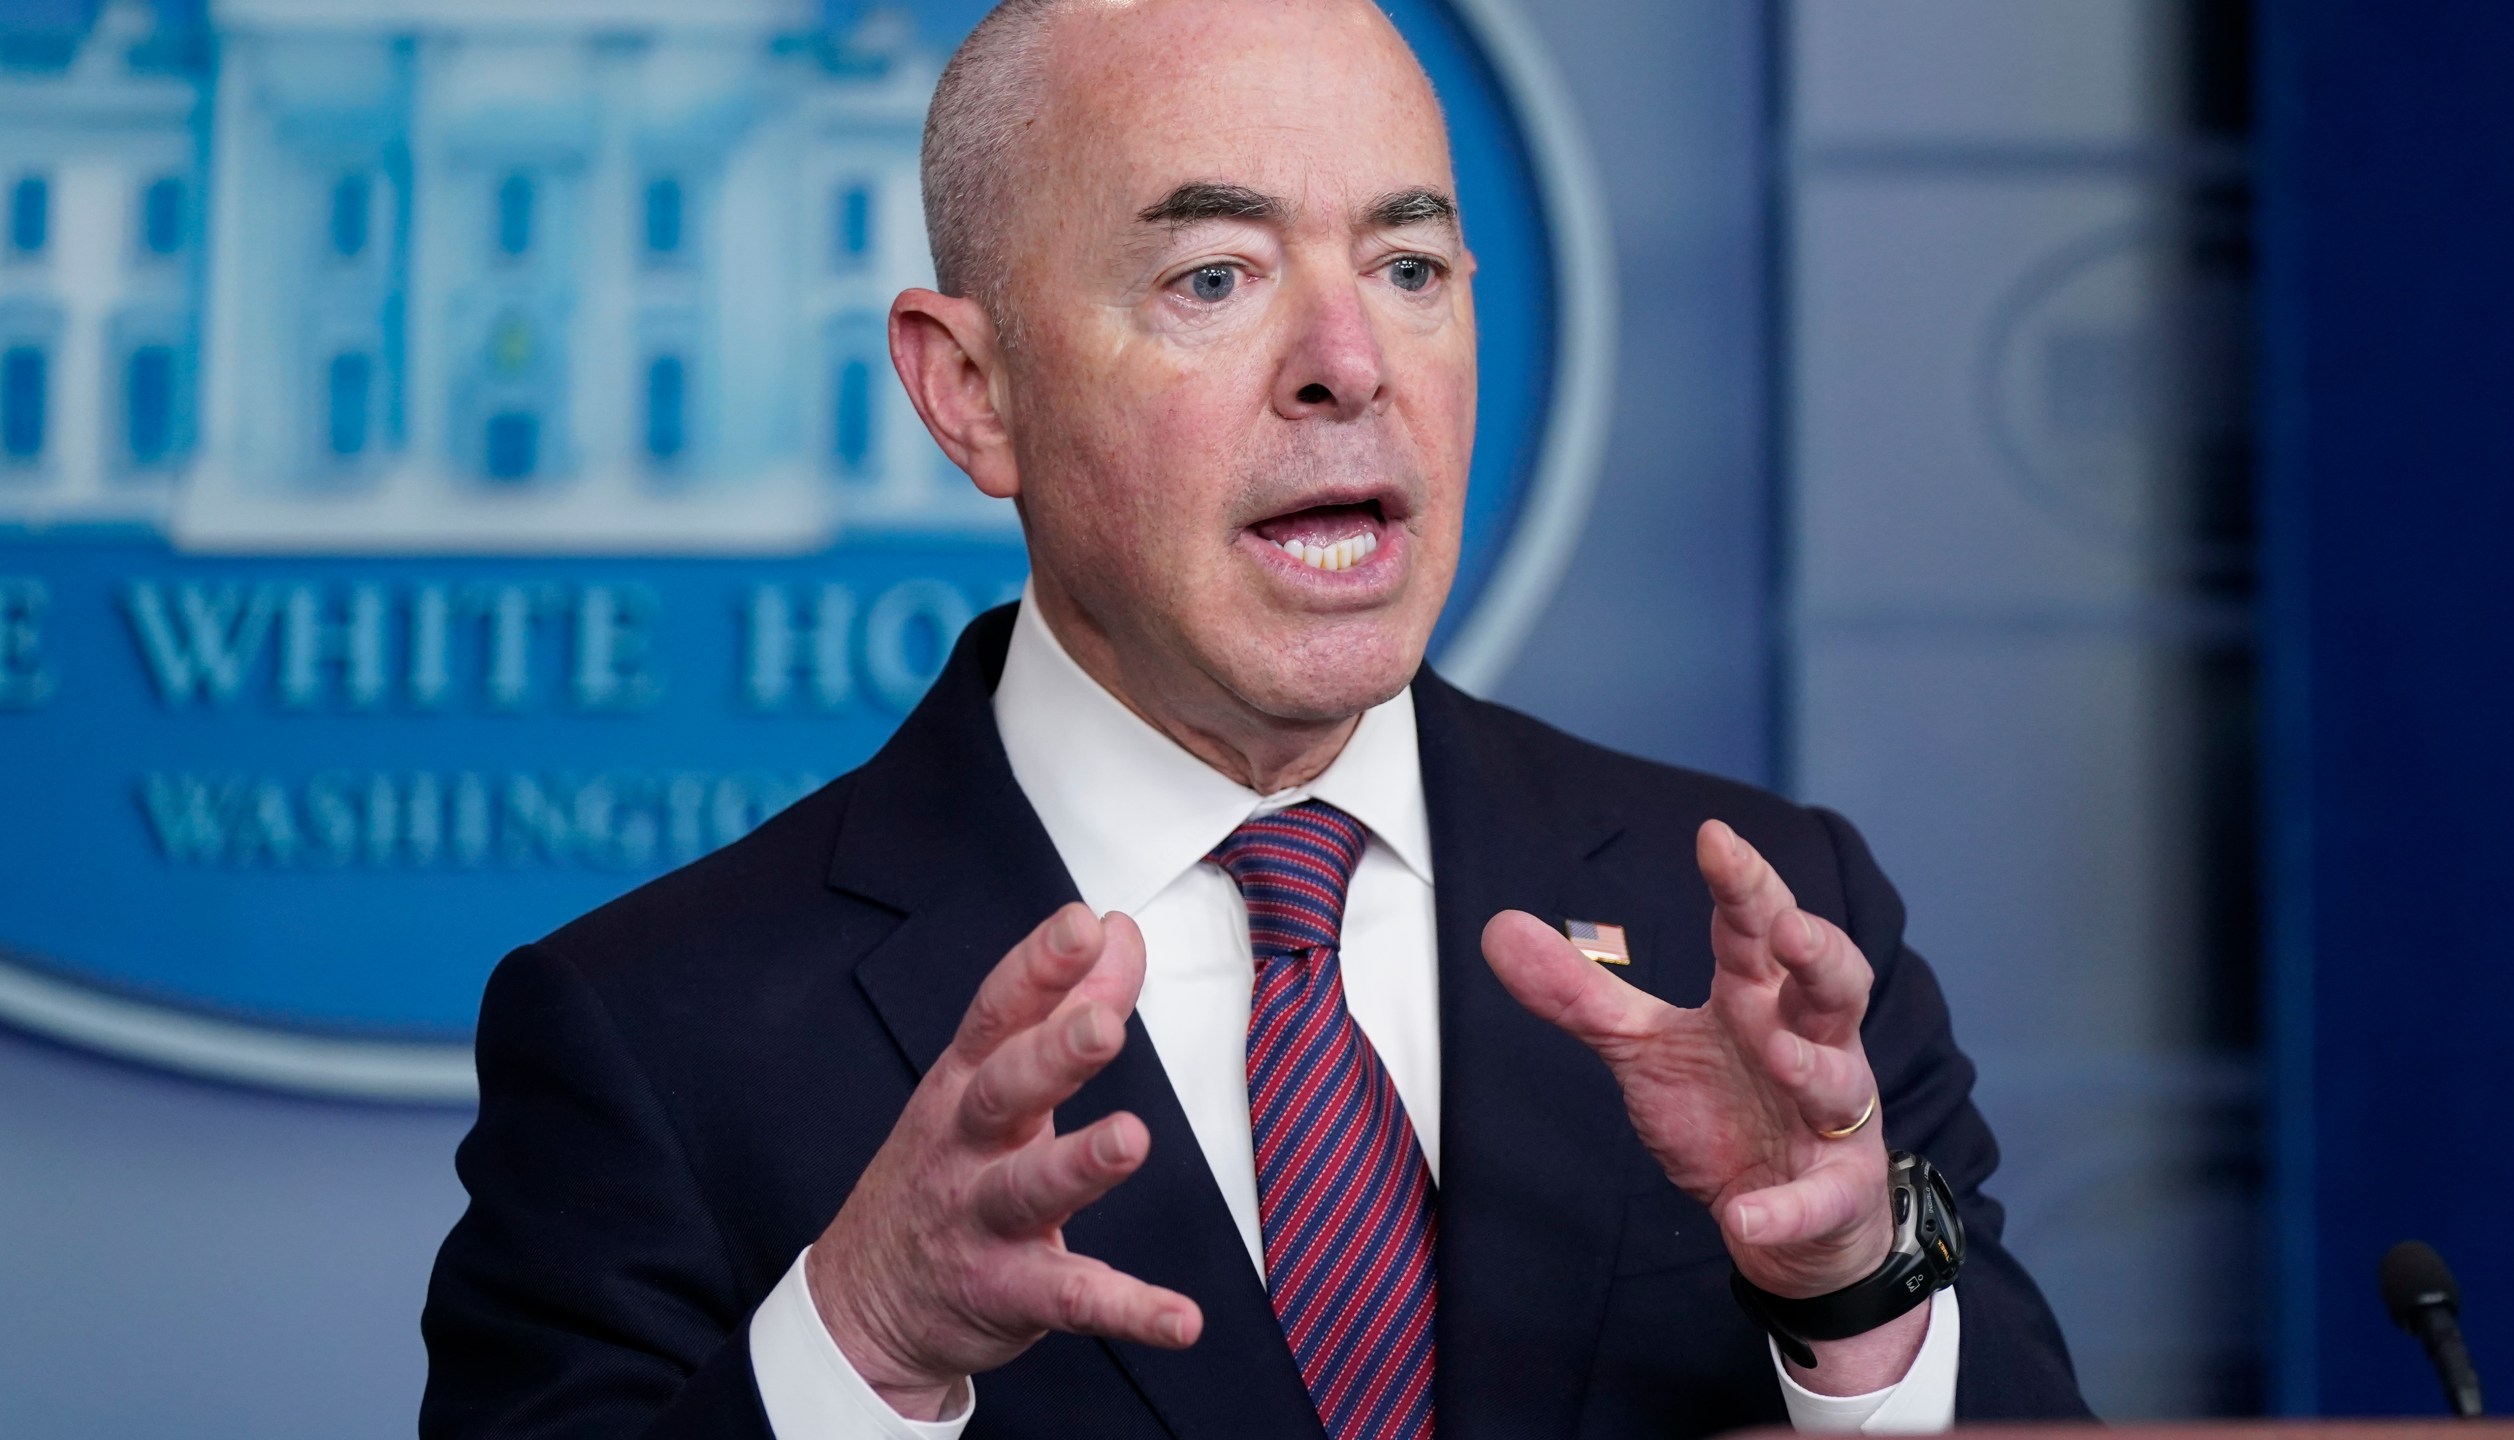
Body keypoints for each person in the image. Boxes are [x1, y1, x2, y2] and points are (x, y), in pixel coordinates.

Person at [420, 0, 2090, 1435]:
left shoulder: (1755, 917)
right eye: (1216, 277)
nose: (1348, 363)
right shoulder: (657, 1034)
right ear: (971, 391)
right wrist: (861, 1346)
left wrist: (1852, 1281)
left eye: (1411, 264)